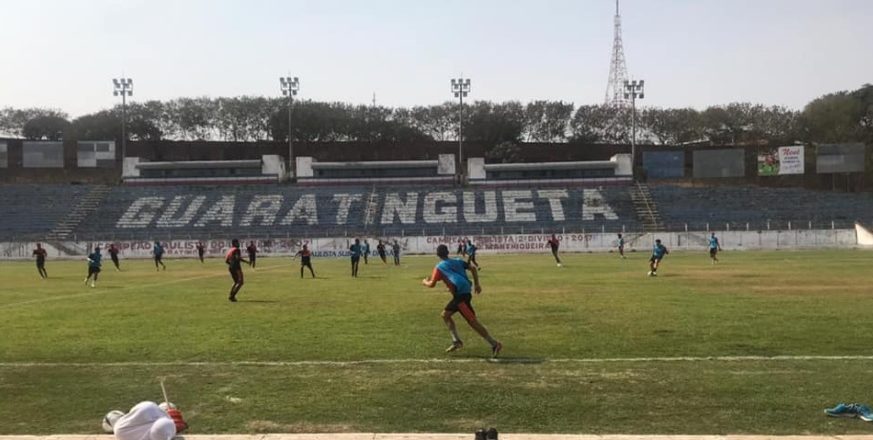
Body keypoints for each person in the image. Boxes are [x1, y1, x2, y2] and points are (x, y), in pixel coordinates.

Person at [422, 244, 502, 357]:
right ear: (448, 252)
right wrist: (477, 284)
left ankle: (494, 344)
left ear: (437, 255)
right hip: (464, 293)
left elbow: (432, 284)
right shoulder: (458, 261)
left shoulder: (439, 267)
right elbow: (473, 268)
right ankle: (456, 341)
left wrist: (424, 282)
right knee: (445, 315)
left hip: (460, 296)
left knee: (472, 322)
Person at [108, 401, 187, 440]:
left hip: (122, 430)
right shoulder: (164, 426)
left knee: (151, 407)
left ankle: (114, 417)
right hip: (125, 429)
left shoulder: (120, 429)